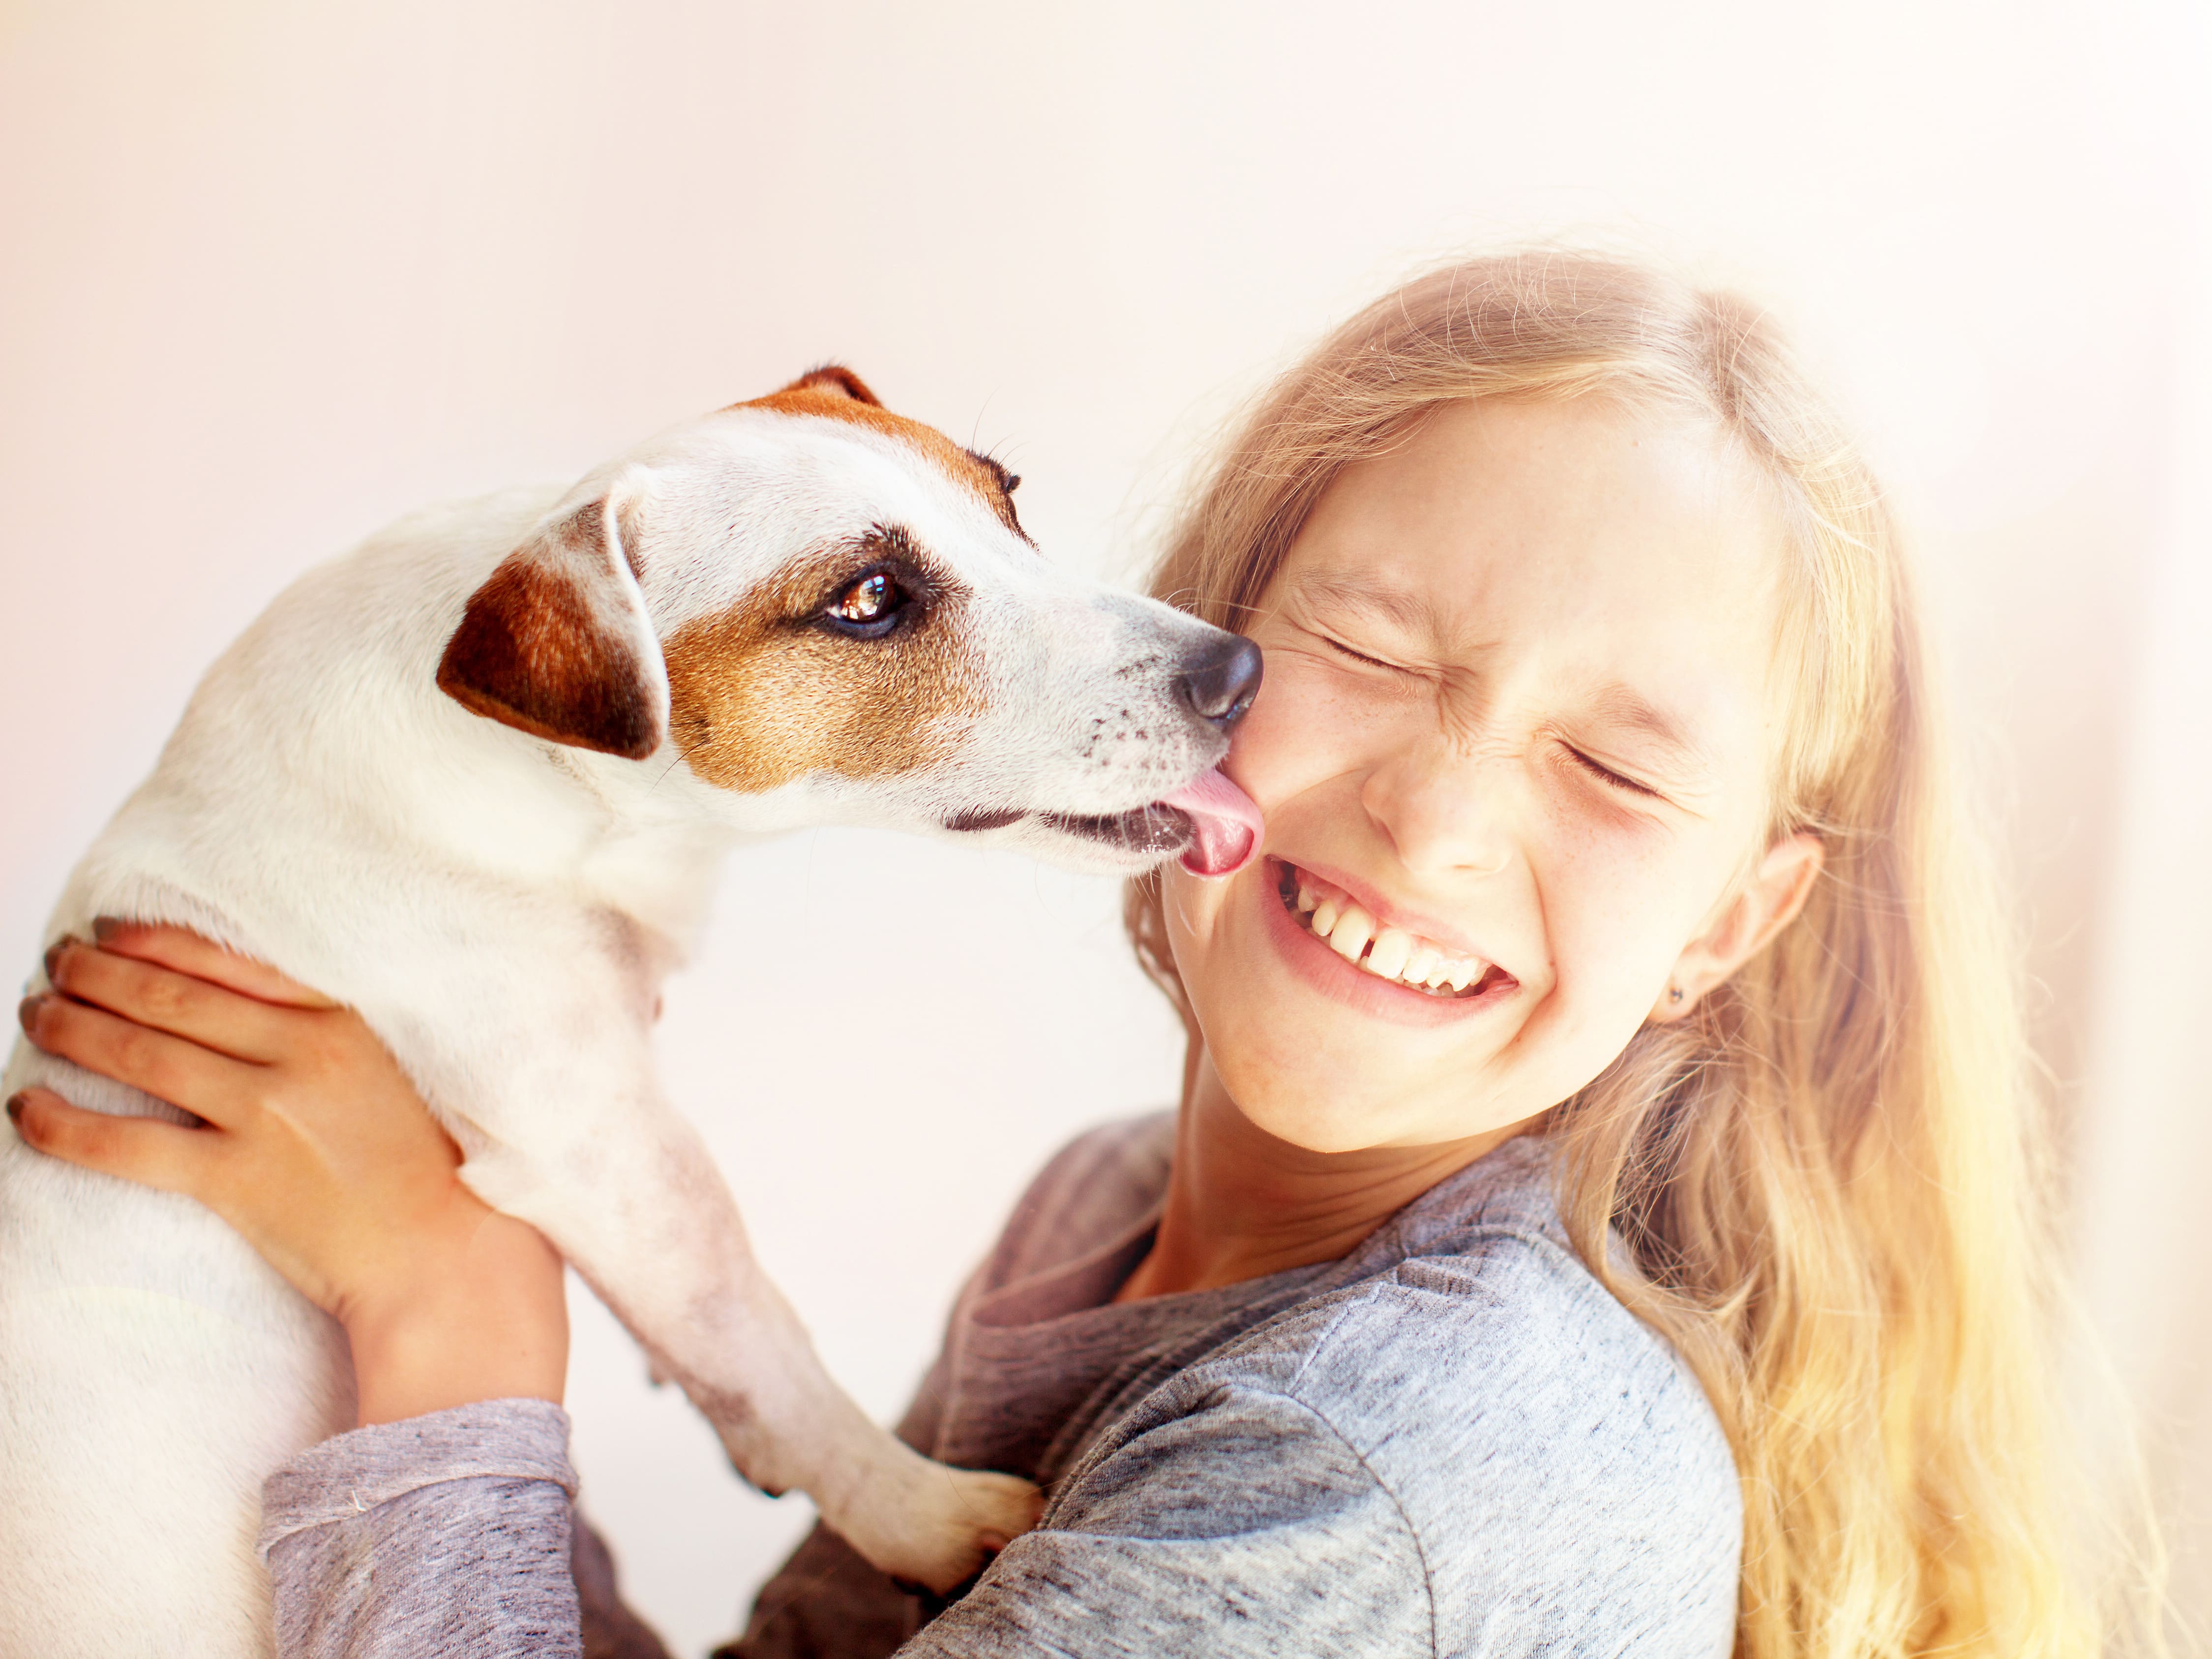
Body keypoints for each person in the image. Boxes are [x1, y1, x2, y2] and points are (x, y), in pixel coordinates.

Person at [9, 250, 2105, 1657]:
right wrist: (425, 1379)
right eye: (1365, 652)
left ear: (1730, 923)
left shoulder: (1380, 1467)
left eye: (1617, 770)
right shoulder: (1106, 1217)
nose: (1438, 817)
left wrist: (448, 1305)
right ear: (1204, 647)